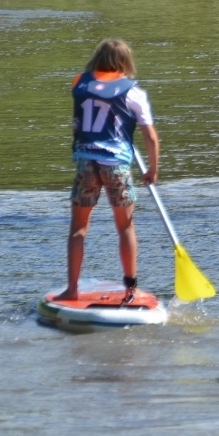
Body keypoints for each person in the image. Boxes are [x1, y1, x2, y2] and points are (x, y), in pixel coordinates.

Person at [64, 38, 159, 303]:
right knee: (125, 227)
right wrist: (152, 169)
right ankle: (130, 289)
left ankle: (72, 288)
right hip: (116, 163)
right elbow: (150, 136)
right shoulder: (134, 92)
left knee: (78, 228)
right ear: (125, 62)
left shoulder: (78, 83)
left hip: (86, 162)